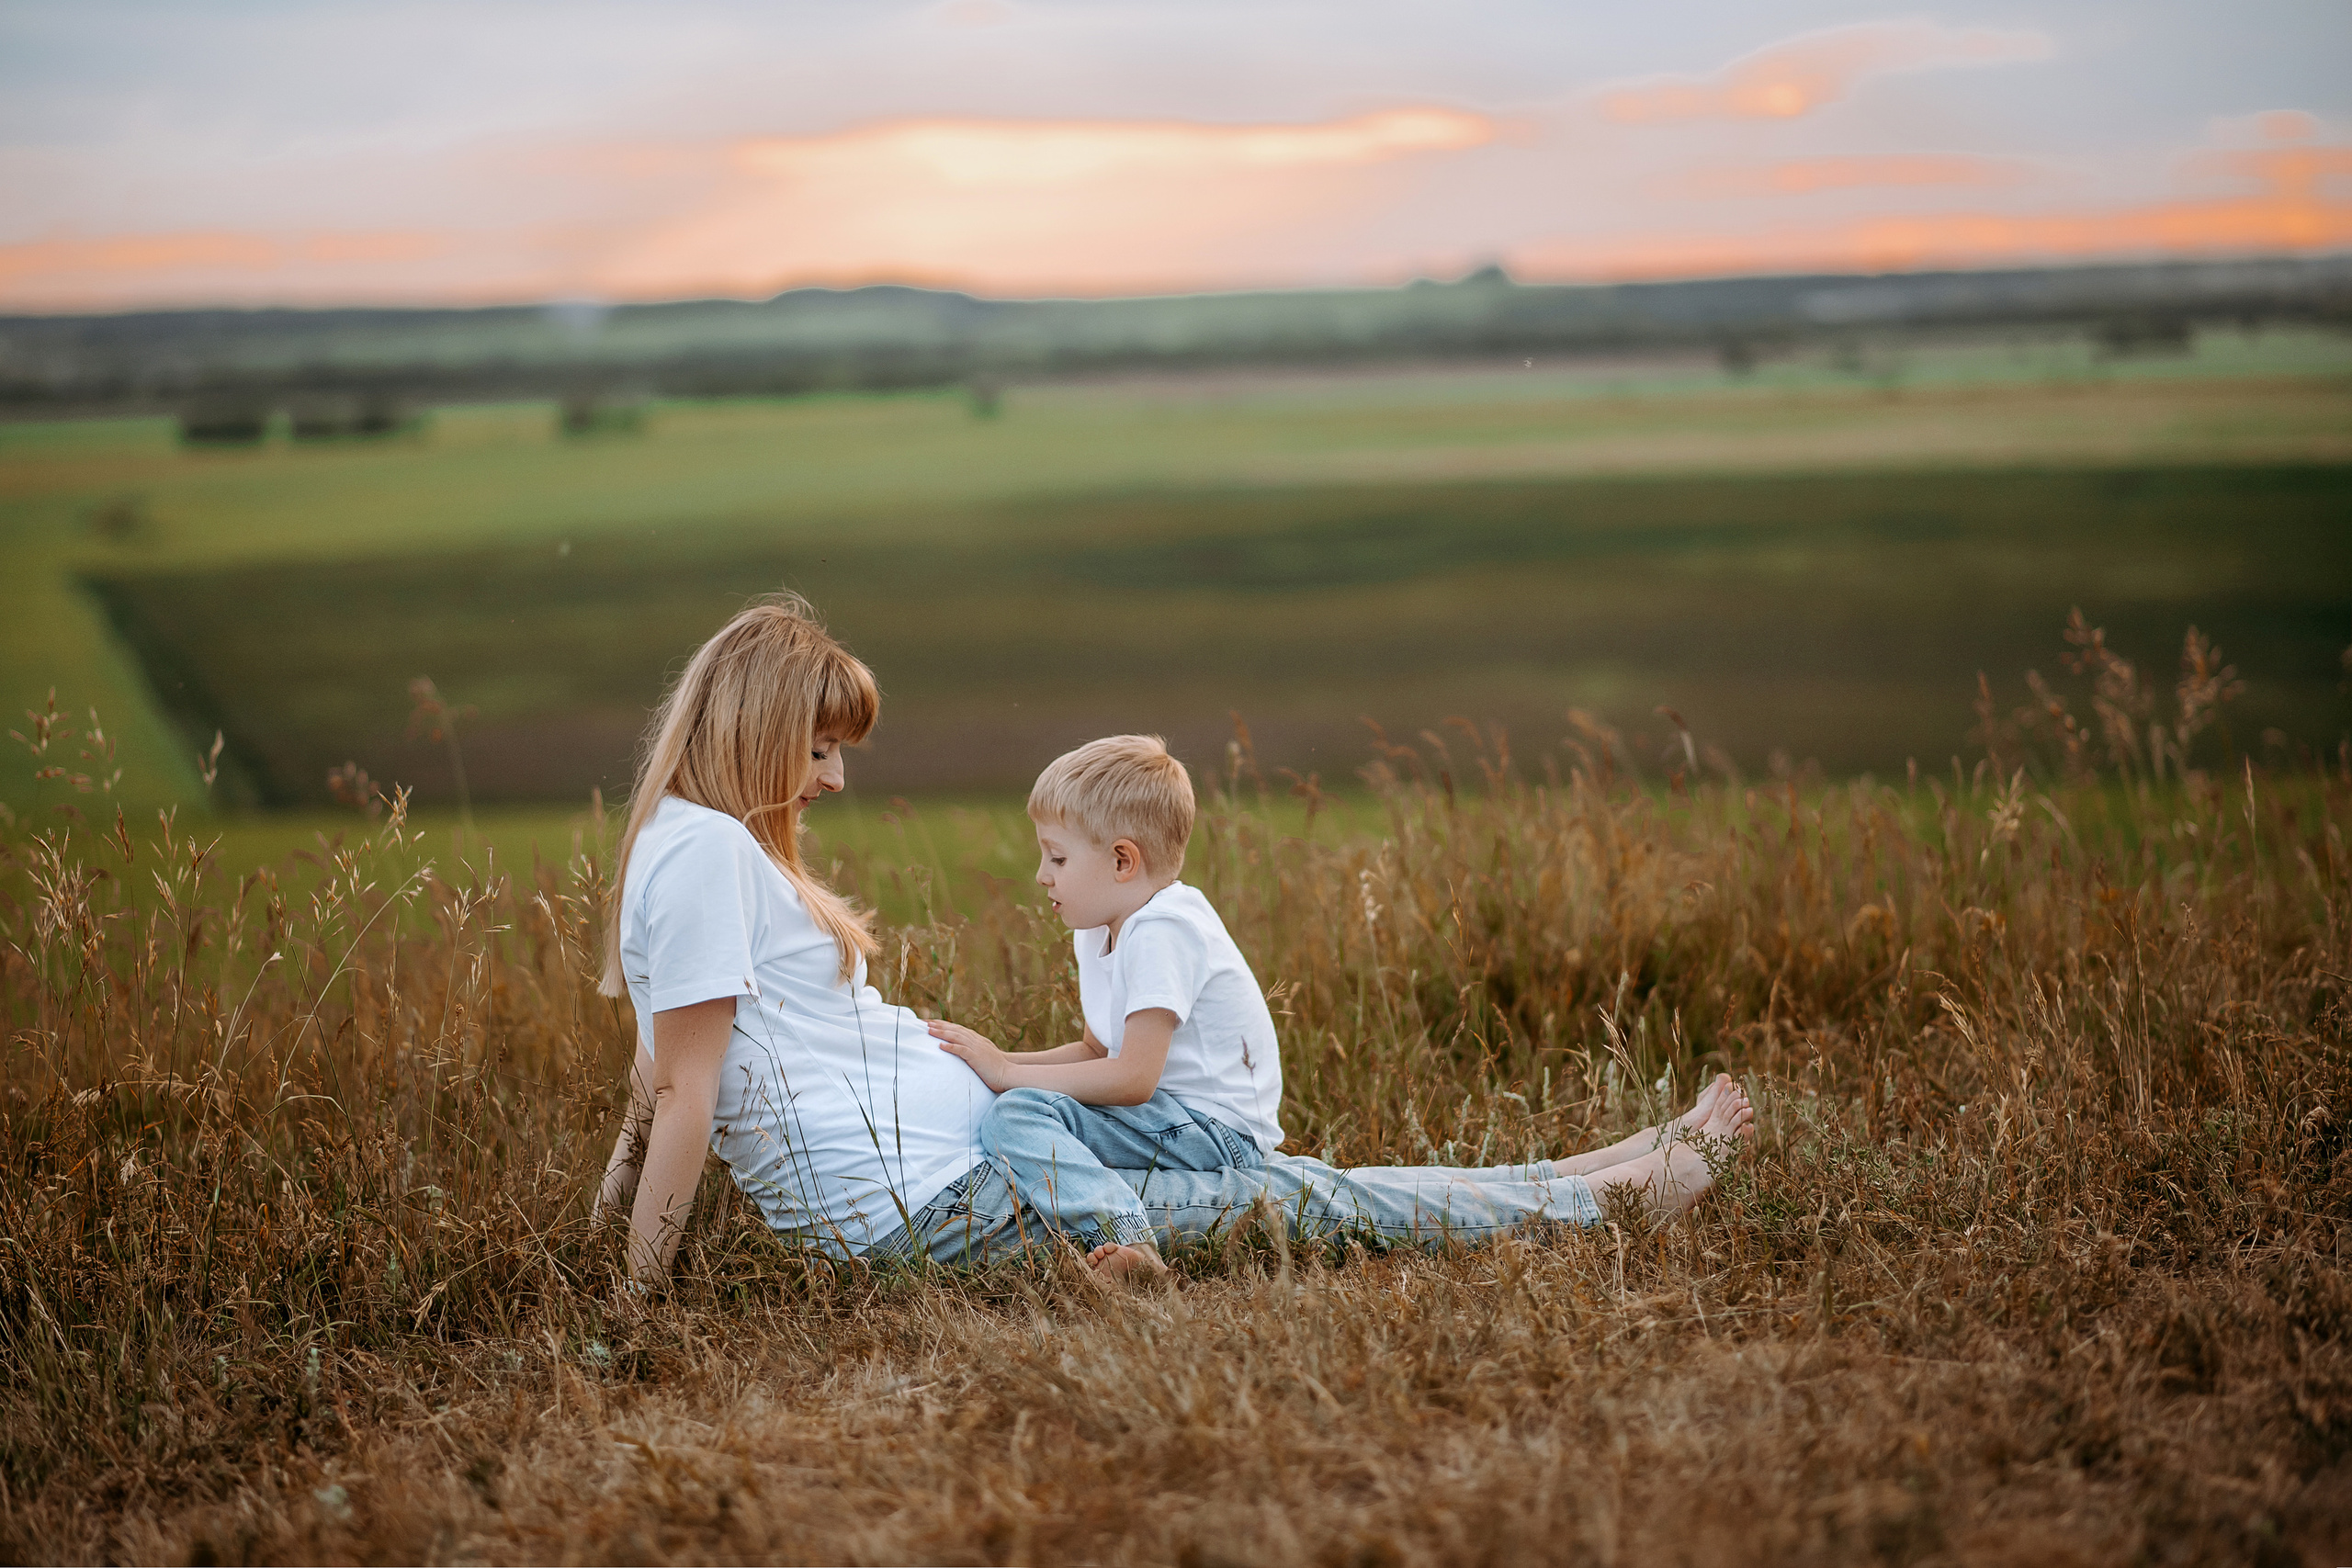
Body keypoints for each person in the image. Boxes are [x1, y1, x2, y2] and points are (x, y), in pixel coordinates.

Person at [597, 596, 1752, 1293]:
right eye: (817, 750)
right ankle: (1609, 1201)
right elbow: (684, 1093)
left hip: (1001, 1161)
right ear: (753, 727)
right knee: (1307, 1209)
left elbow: (655, 1077)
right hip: (946, 1207)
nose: (834, 779)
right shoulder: (702, 854)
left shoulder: (698, 845)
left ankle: (1600, 1169)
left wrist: (602, 1240)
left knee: (1312, 1193)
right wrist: (632, 1309)